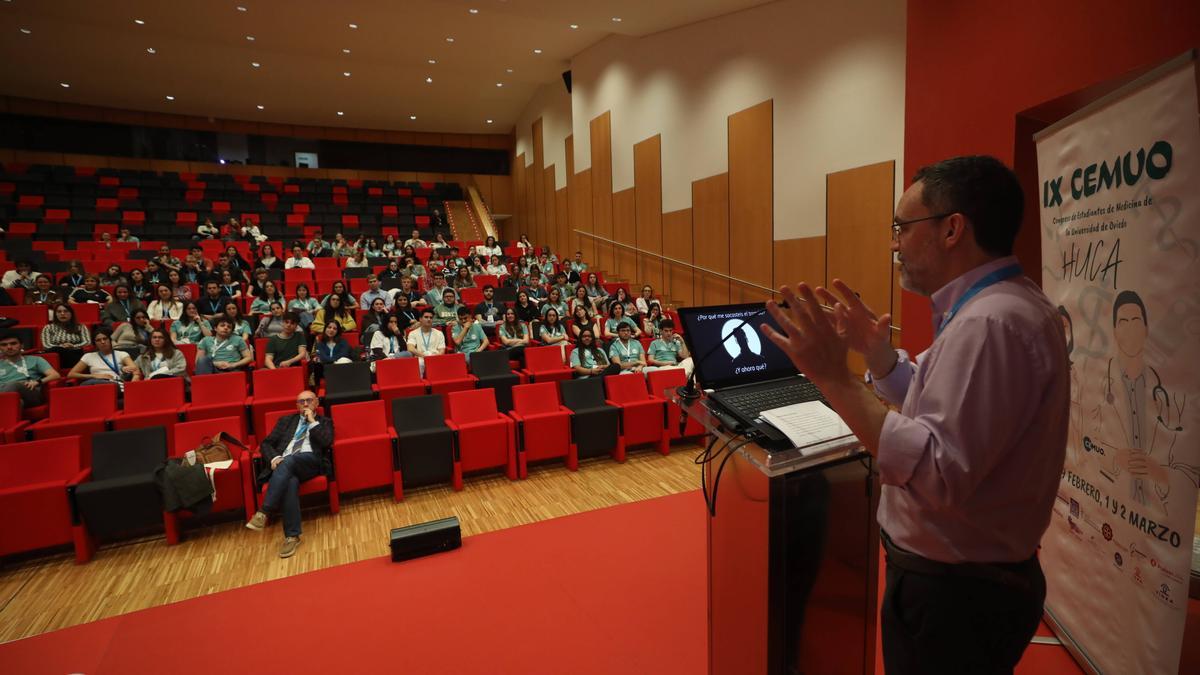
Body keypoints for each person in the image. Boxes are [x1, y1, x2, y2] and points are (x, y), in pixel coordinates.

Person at [759, 155, 1067, 674]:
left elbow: (937, 472)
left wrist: (833, 377)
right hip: (967, 586)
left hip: (957, 598)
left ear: (952, 229)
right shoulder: (999, 307)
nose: (895, 244)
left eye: (902, 227)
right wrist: (877, 356)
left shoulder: (990, 324)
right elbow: (935, 410)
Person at [245, 390, 334, 558]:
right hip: (285, 464)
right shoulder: (286, 421)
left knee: (290, 461)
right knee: (290, 481)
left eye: (309, 400)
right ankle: (292, 537)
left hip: (310, 462)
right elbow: (266, 444)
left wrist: (313, 422)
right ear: (297, 405)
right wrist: (275, 458)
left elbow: (326, 441)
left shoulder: (324, 422)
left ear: (316, 403)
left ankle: (264, 511)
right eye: (301, 402)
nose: (305, 404)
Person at [0, 330, 59, 408]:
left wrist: (37, 382)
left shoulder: (36, 360)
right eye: (4, 345)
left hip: (30, 393)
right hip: (5, 393)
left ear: (22, 345)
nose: (9, 347)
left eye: (13, 343)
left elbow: (55, 375)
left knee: (13, 384)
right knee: (18, 403)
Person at [68, 329, 140, 387]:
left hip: (115, 383)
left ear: (110, 340)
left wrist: (131, 385)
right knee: (87, 385)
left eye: (105, 339)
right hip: (96, 383)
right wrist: (94, 376)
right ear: (95, 343)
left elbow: (135, 370)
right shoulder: (88, 356)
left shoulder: (121, 354)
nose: (102, 342)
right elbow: (71, 374)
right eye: (98, 340)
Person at [41, 304, 90, 369]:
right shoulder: (48, 327)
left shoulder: (80, 327)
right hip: (57, 353)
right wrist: (61, 347)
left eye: (66, 311)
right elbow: (46, 345)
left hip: (75, 352)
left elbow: (87, 342)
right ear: (55, 314)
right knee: (57, 350)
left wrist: (73, 346)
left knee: (76, 352)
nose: (62, 313)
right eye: (59, 312)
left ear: (71, 313)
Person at [406, 309, 446, 375]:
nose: (429, 319)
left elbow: (442, 351)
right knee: (419, 363)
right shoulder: (413, 333)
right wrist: (424, 356)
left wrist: (432, 357)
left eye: (431, 317)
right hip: (420, 357)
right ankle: (419, 383)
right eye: (426, 317)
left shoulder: (439, 333)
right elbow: (410, 348)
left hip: (435, 357)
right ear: (420, 319)